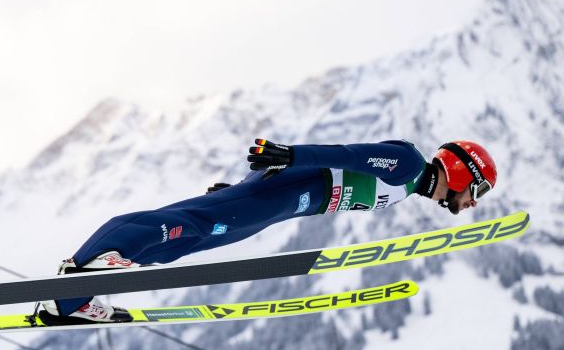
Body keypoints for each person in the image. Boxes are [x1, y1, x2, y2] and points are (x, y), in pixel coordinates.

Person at [40, 138, 497, 324]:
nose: (472, 202)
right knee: (196, 225)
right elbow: (349, 155)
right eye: (476, 190)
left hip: (287, 200)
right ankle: (88, 272)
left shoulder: (409, 184)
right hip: (290, 188)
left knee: (191, 237)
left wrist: (244, 189)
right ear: (462, 172)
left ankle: (77, 287)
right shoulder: (409, 164)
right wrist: (290, 156)